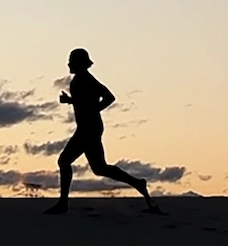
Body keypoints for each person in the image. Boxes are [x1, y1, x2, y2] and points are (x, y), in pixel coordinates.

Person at [45, 47, 159, 213]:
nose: (69, 64)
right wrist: (72, 101)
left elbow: (109, 97)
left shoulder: (86, 80)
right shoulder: (80, 80)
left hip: (89, 128)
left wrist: (92, 109)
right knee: (100, 168)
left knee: (64, 161)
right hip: (89, 127)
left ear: (79, 63)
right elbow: (86, 101)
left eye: (72, 61)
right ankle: (137, 183)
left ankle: (63, 204)